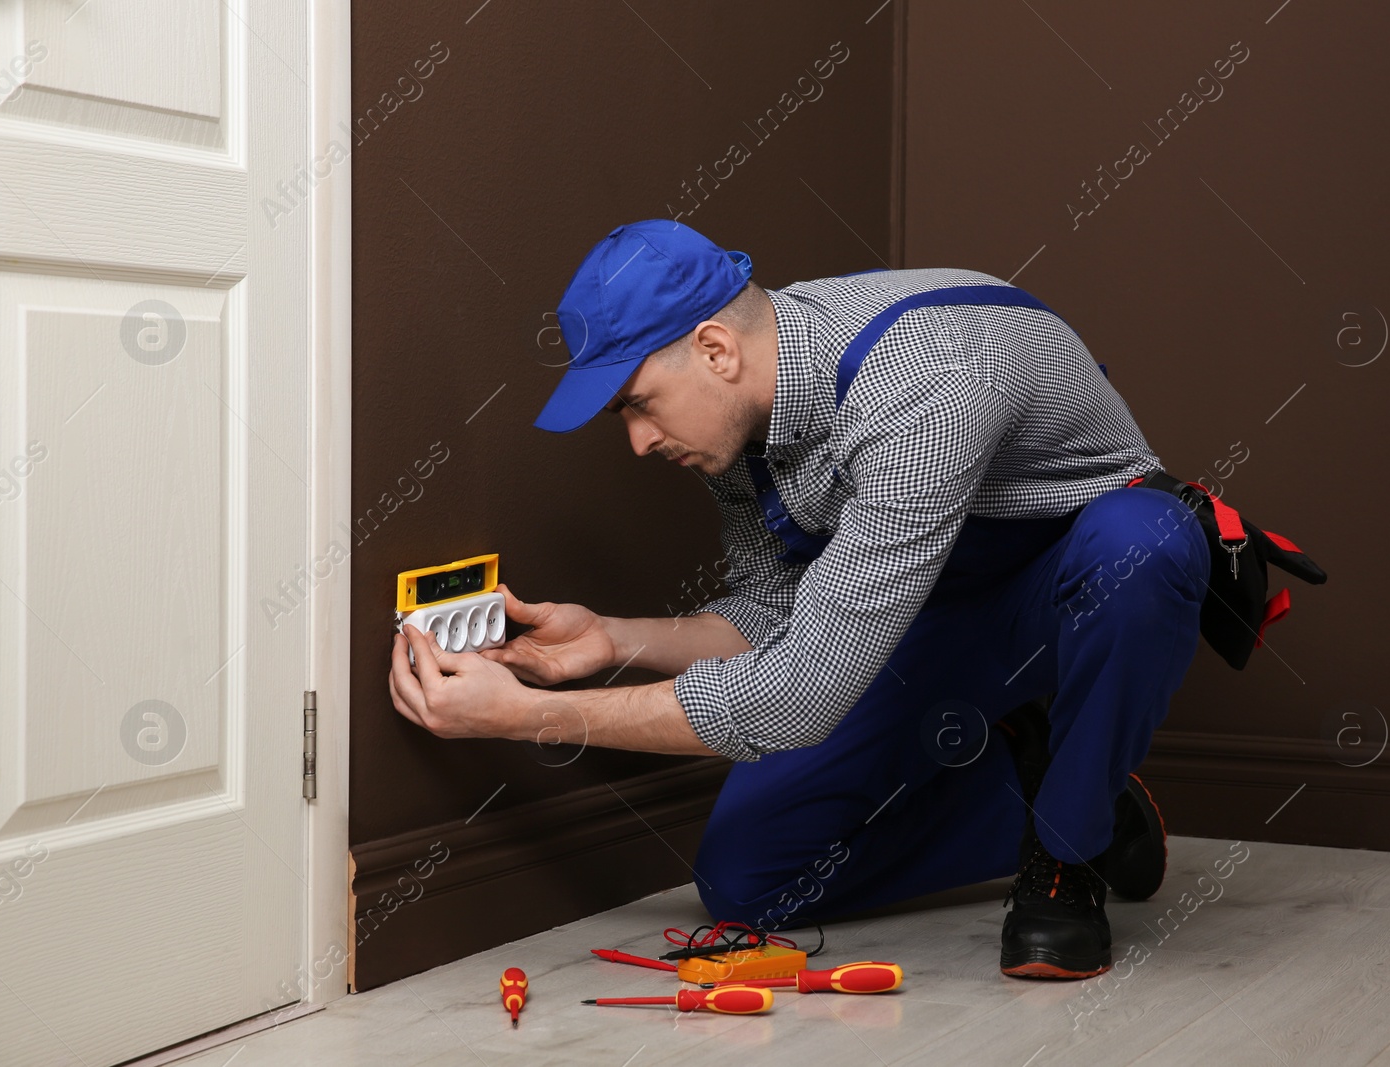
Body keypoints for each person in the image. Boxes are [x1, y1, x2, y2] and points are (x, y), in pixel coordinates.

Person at [388, 219, 1212, 979]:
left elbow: (798, 695)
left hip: (1068, 596)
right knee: (749, 875)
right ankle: (1051, 783)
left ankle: (1072, 843)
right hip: (920, 613)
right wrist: (608, 639)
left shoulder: (927, 386)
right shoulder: (743, 422)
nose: (637, 441)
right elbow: (772, 618)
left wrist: (528, 716)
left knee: (1144, 542)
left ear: (714, 349)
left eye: (637, 404)